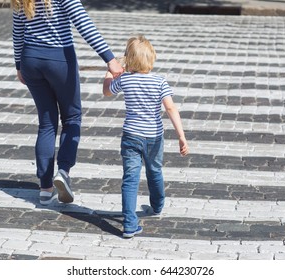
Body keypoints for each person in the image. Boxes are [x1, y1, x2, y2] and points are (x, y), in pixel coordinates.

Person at [10, 0, 124, 206]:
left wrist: (19, 63)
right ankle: (63, 171)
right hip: (59, 58)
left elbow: (18, 31)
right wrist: (109, 58)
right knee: (72, 117)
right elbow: (83, 22)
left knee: (46, 122)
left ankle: (45, 188)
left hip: (30, 59)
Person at [103, 35, 189, 238]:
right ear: (151, 59)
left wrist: (109, 73)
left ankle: (130, 224)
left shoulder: (125, 79)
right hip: (154, 137)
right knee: (155, 171)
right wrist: (181, 136)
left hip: (131, 135)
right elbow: (170, 108)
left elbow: (107, 92)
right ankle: (157, 205)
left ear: (128, 59)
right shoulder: (160, 82)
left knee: (130, 179)